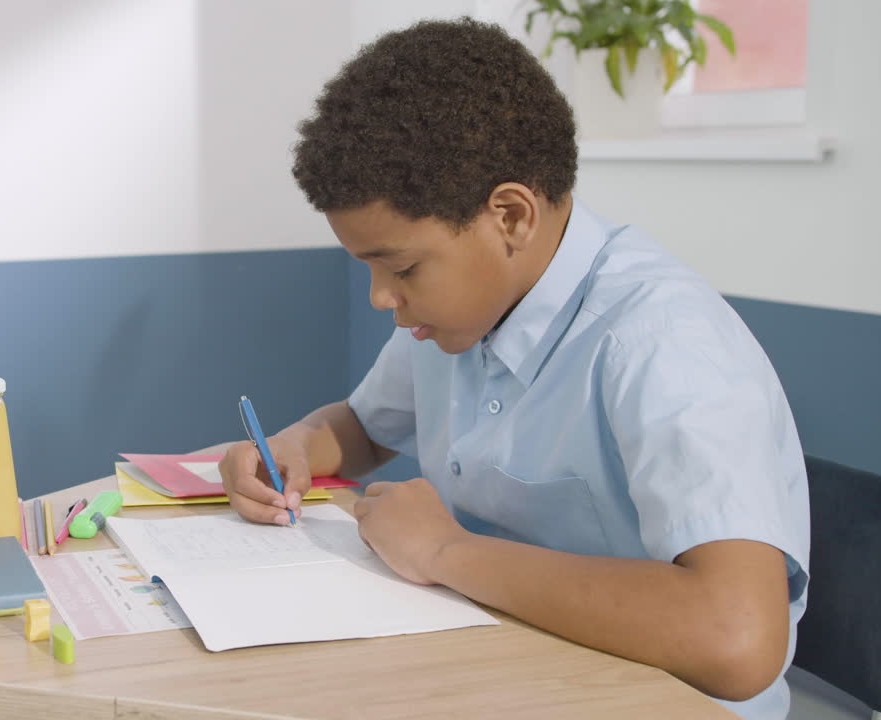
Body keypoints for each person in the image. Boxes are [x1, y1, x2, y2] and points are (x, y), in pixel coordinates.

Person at [217, 18, 809, 720]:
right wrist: (294, 448)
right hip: (505, 671)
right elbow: (362, 427)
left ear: (510, 216)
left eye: (401, 267)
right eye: (368, 269)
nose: (382, 298)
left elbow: (737, 638)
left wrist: (445, 552)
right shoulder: (453, 316)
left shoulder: (663, 344)